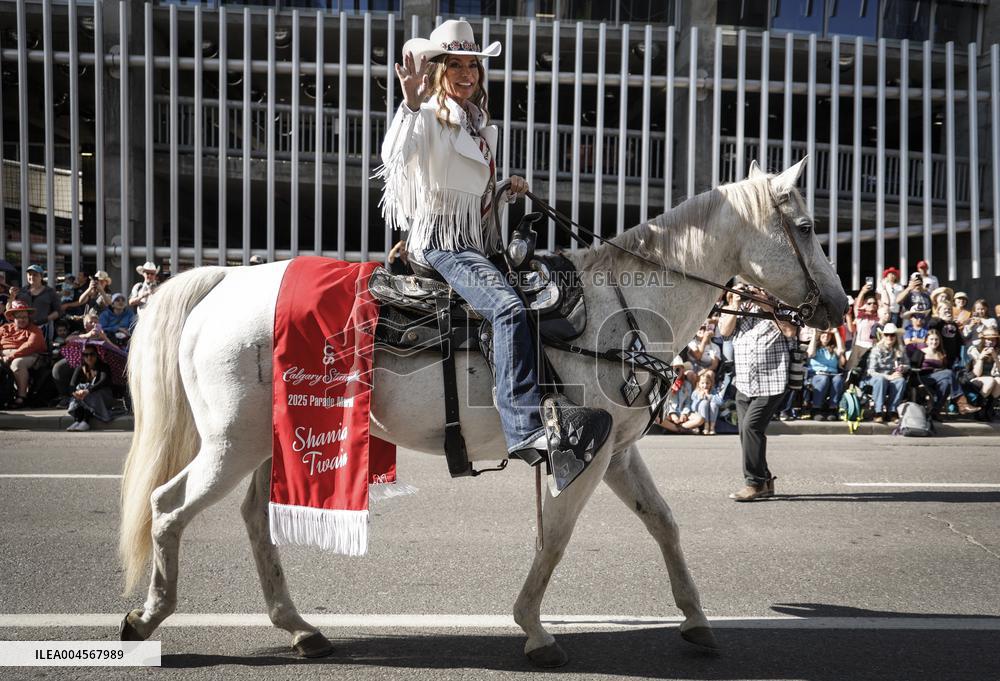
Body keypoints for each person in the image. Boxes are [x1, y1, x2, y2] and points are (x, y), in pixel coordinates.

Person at [377, 19, 609, 483]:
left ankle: (553, 404)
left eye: (473, 66)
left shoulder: (477, 124)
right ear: (438, 69)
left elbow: (469, 195)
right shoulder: (425, 115)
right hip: (443, 244)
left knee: (537, 294)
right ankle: (524, 428)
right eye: (457, 65)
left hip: (475, 242)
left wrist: (502, 190)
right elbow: (393, 159)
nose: (467, 74)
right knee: (507, 310)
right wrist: (408, 103)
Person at [718, 283, 797, 502]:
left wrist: (769, 307)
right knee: (747, 432)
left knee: (751, 427)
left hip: (772, 381)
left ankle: (754, 483)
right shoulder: (736, 308)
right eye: (747, 288)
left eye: (754, 289)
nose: (749, 294)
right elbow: (724, 332)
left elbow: (791, 332)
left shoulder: (779, 305)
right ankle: (765, 480)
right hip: (743, 382)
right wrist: (734, 302)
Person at [908, 328, 979, 417]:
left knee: (945, 383)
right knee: (948, 373)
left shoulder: (941, 353)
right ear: (926, 340)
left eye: (936, 339)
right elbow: (913, 369)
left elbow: (945, 369)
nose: (934, 342)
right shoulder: (920, 352)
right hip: (922, 378)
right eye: (931, 339)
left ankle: (935, 412)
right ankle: (962, 403)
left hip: (938, 379)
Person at [0, 300, 47, 408]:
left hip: (29, 356)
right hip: (4, 355)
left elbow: (30, 346)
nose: (22, 319)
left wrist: (11, 355)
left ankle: (21, 397)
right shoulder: (4, 329)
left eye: (25, 317)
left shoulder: (35, 330)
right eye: (19, 317)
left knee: (17, 363)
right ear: (12, 318)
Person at [863, 323, 909, 423]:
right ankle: (877, 411)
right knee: (881, 380)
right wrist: (888, 377)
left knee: (900, 380)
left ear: (896, 336)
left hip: (892, 376)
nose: (889, 337)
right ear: (883, 336)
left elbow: (908, 365)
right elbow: (871, 371)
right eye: (887, 335)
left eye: (892, 335)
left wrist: (903, 368)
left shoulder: (900, 349)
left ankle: (892, 411)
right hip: (875, 377)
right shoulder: (876, 349)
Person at [65, 344, 115, 431]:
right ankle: (78, 420)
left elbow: (103, 381)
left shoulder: (104, 366)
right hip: (87, 397)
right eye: (86, 355)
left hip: (103, 397)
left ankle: (85, 421)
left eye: (92, 354)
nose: (89, 357)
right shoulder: (81, 367)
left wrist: (87, 391)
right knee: (78, 389)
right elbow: (72, 384)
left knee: (89, 392)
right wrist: (75, 393)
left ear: (97, 355)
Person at [806, 327, 846, 420]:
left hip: (832, 374)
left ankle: (833, 408)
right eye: (824, 333)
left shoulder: (833, 348)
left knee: (838, 380)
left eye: (828, 334)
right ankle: (816, 408)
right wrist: (815, 333)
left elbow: (841, 350)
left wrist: (836, 332)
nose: (826, 336)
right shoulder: (816, 347)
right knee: (823, 379)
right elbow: (810, 353)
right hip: (817, 374)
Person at [657, 355, 695, 433]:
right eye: (673, 369)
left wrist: (684, 414)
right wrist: (672, 413)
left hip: (682, 412)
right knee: (657, 418)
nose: (676, 372)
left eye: (678, 369)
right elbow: (664, 402)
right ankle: (679, 429)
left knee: (700, 419)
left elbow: (688, 402)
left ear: (683, 370)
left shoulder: (687, 384)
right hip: (669, 413)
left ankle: (674, 429)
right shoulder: (665, 384)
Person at [682, 369, 724, 435]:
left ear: (711, 383)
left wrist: (711, 397)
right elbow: (693, 408)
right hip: (700, 415)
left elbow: (720, 402)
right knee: (704, 403)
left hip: (711, 416)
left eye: (707, 383)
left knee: (713, 404)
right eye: (702, 383)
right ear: (698, 384)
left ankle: (712, 427)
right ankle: (706, 426)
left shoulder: (713, 392)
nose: (705, 386)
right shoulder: (696, 393)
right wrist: (699, 399)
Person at [847, 287, 878, 371]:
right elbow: (857, 306)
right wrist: (863, 292)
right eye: (869, 303)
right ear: (864, 305)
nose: (872, 305)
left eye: (874, 303)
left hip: (873, 348)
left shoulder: (878, 318)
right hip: (859, 346)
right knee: (851, 372)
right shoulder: (861, 316)